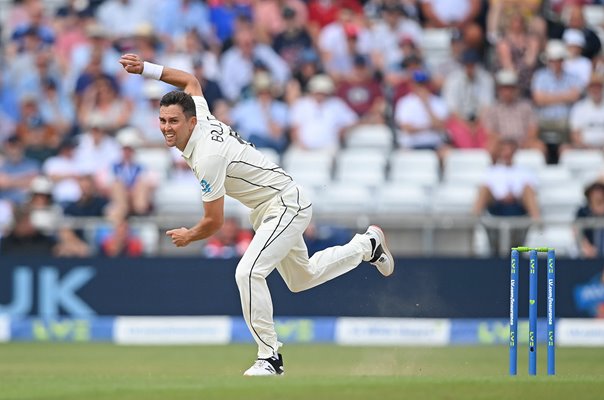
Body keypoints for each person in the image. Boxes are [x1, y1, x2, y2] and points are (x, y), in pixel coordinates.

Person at [119, 53, 394, 376]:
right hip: (270, 208)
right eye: (163, 120)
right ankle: (367, 246)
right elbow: (190, 82)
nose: (167, 127)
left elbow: (215, 222)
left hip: (285, 204)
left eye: (173, 121)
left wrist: (190, 235)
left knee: (247, 273)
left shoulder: (208, 155)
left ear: (191, 122)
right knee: (301, 278)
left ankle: (270, 357)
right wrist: (146, 70)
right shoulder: (202, 116)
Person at [575, 181, 604, 258]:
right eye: (596, 201)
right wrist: (586, 247)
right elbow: (576, 230)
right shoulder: (583, 212)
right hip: (590, 259)